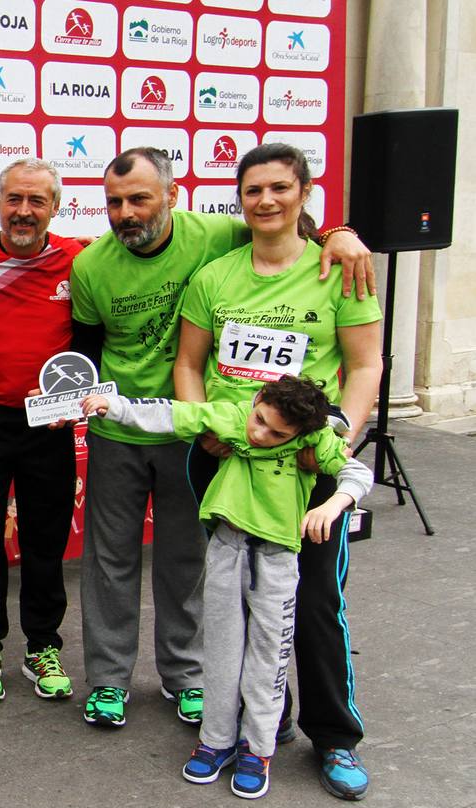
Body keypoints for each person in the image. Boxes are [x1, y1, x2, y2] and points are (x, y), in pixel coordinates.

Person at [68, 147, 375, 730]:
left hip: (225, 440)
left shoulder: (218, 235)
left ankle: (187, 678)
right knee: (111, 561)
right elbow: (90, 350)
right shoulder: (93, 266)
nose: (127, 212)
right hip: (138, 429)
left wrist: (344, 231)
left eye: (140, 199)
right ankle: (109, 682)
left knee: (192, 561)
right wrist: (73, 401)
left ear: (173, 196)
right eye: (115, 202)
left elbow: (288, 225)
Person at [173, 143, 383, 800]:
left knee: (314, 602)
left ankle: (335, 737)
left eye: (278, 188)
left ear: (304, 192)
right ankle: (249, 727)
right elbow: (187, 365)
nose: (264, 200)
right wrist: (205, 424)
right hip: (225, 463)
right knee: (233, 606)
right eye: (252, 190)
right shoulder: (215, 276)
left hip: (304, 470)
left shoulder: (337, 271)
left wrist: (337, 437)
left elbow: (366, 366)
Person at [82, 376, 372, 799]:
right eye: (260, 421)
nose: (261, 435)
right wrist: (116, 406)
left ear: (300, 434)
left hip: (276, 560)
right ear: (256, 401)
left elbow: (356, 471)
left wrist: (331, 505)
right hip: (226, 549)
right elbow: (177, 414)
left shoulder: (316, 440)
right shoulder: (235, 417)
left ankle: (257, 749)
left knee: (267, 657)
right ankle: (216, 739)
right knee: (219, 651)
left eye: (278, 434)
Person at [0, 158, 83, 702]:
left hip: (47, 423)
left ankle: (42, 646)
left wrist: (335, 232)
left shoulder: (81, 258)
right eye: (14, 200)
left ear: (56, 207)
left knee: (45, 541)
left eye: (37, 202)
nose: (24, 212)